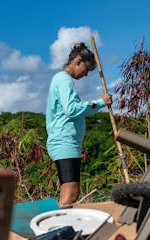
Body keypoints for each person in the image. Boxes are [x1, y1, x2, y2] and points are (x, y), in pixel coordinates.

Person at [46, 42, 112, 208]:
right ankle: (59, 228)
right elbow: (72, 109)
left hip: (68, 143)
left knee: (68, 191)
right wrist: (100, 102)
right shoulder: (63, 79)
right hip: (64, 142)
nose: (86, 75)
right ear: (78, 61)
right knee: (71, 192)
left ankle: (60, 226)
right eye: (87, 69)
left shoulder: (63, 80)